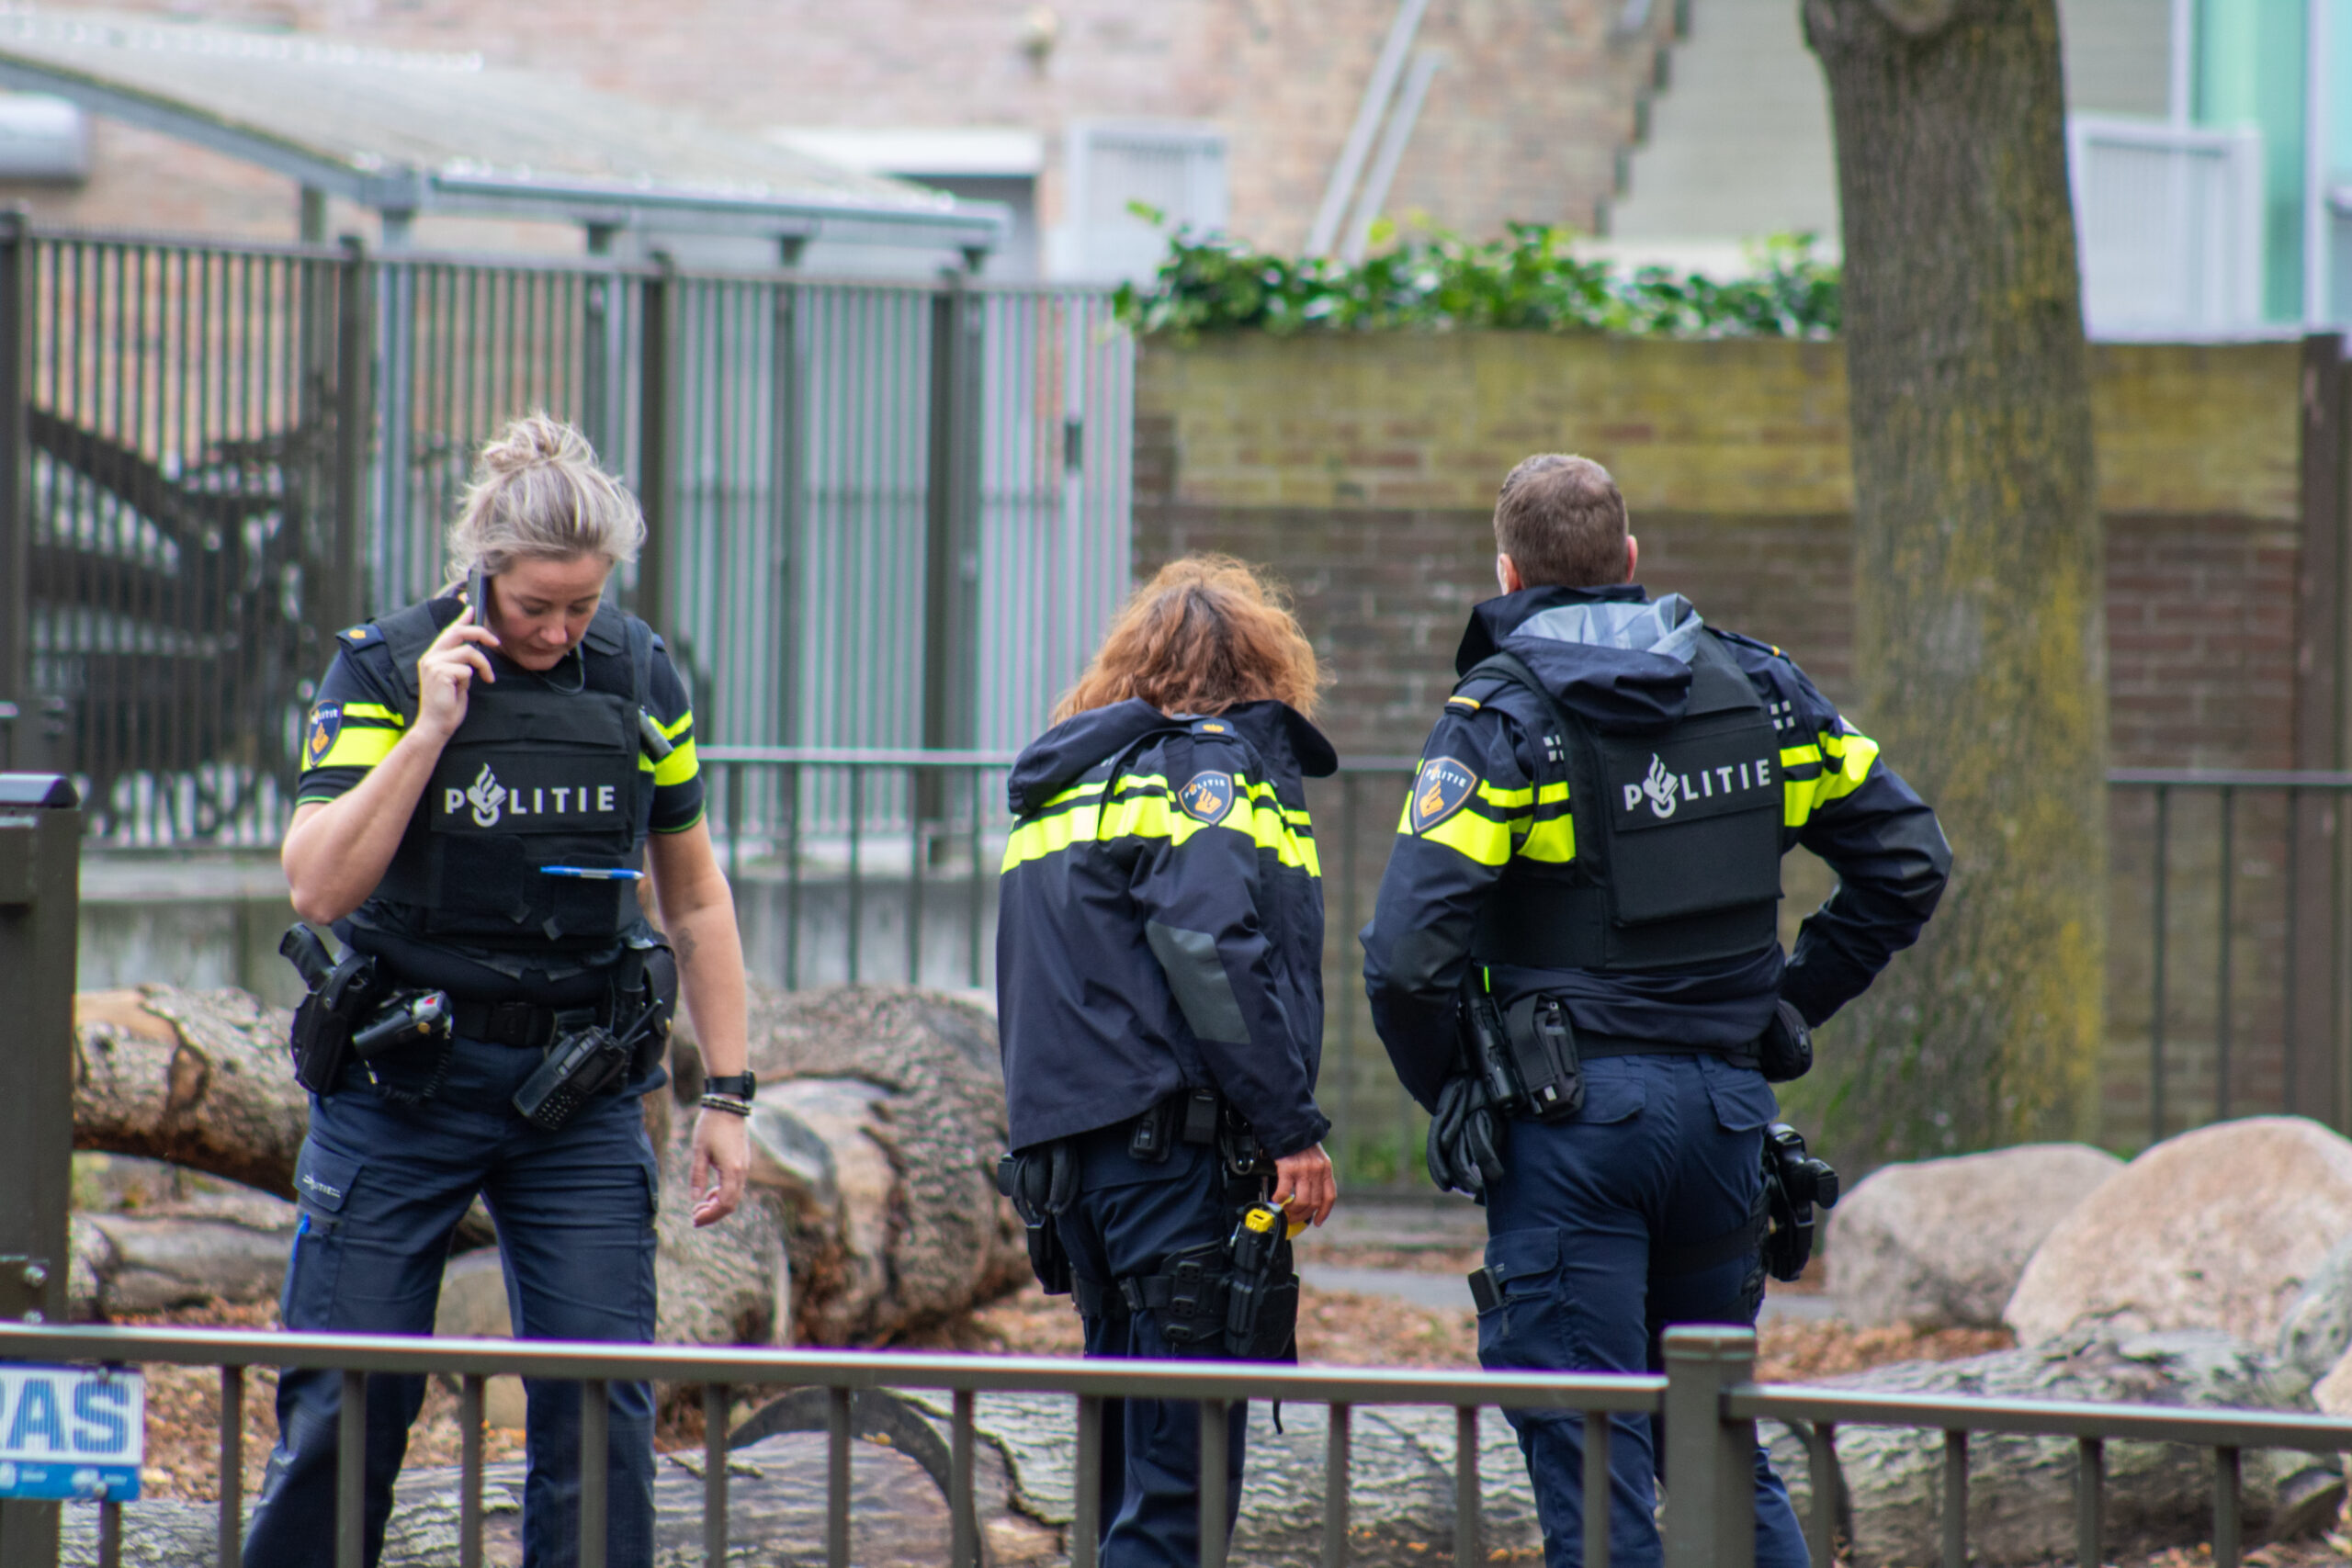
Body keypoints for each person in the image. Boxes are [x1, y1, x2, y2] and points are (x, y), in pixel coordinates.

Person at [1360, 456, 1950, 1567]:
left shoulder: (1501, 725)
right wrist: (1787, 1005)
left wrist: (1460, 1093)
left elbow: (1403, 958)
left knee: (1595, 1474)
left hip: (1568, 1128)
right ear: (1628, 563)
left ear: (1506, 572)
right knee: (1717, 1454)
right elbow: (1908, 860)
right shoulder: (1763, 692)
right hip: (1726, 1121)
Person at [250, 413, 753, 1568]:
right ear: (485, 569)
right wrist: (428, 729)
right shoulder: (383, 666)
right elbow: (318, 884)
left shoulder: (638, 674)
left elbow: (699, 898)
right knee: (347, 1404)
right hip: (401, 1085)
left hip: (574, 1095)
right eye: (537, 607)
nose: (561, 629)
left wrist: (729, 1094)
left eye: (583, 604)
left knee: (599, 1410)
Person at [994, 555, 1341, 1568]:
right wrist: (1291, 1128)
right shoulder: (1211, 772)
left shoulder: (1067, 783)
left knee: (1123, 1473)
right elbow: (1209, 948)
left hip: (1078, 1176)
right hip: (1176, 1166)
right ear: (1265, 670)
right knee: (1178, 1493)